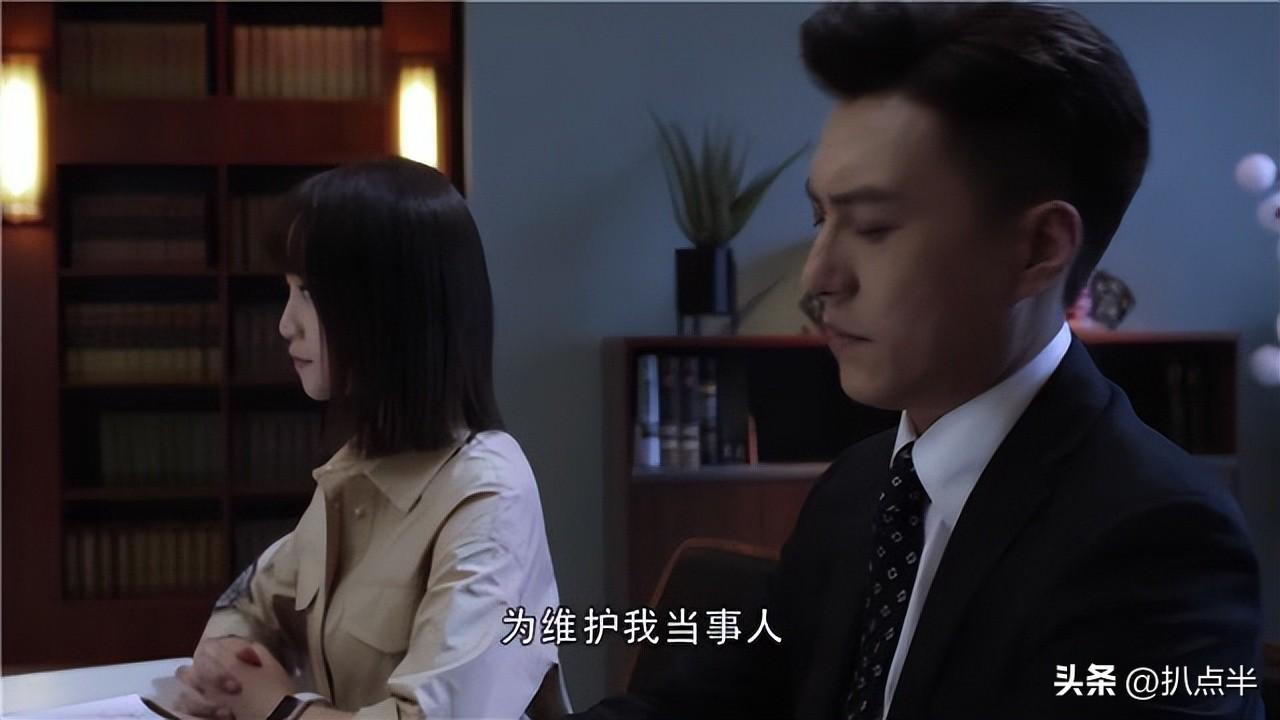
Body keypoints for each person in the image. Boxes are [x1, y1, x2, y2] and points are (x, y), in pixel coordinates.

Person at [574, 3, 1263, 719]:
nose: (818, 276)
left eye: (874, 227)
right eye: (820, 217)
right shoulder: (857, 488)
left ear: (1037, 249)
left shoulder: (1159, 540)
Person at [171, 157, 568, 720]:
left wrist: (277, 709)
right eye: (288, 289)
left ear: (390, 309)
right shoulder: (360, 464)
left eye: (308, 293)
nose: (286, 324)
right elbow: (251, 601)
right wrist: (226, 668)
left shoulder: (488, 498)